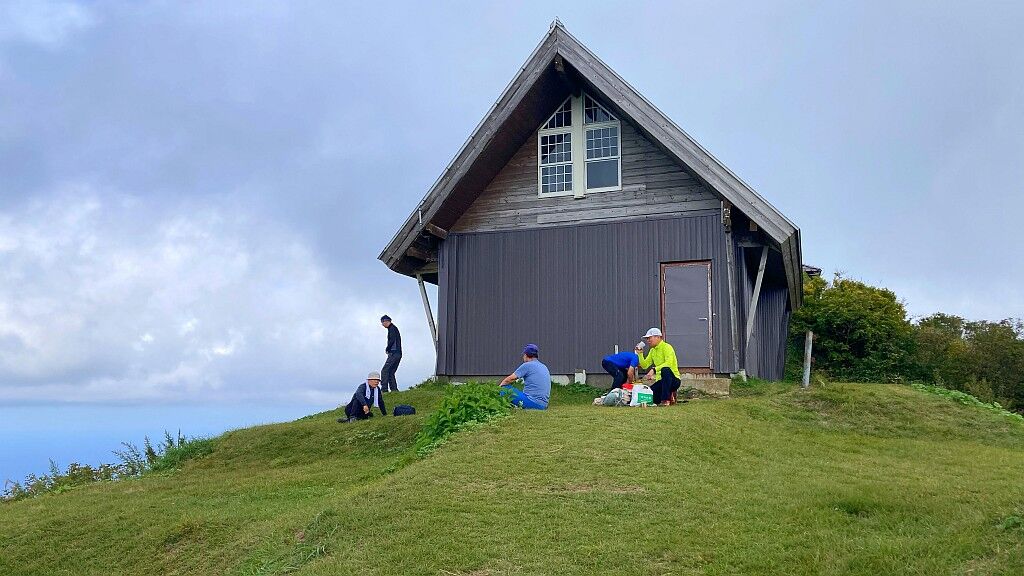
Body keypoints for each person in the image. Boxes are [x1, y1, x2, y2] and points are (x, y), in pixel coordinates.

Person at [637, 328, 681, 406]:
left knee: (665, 370)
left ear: (658, 337)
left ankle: (666, 400)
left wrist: (654, 369)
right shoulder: (652, 350)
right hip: (661, 381)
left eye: (649, 338)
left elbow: (669, 363)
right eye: (647, 339)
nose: (648, 340)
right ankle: (669, 396)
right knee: (652, 397)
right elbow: (644, 365)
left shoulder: (667, 347)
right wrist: (640, 354)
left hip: (674, 380)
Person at [498, 344, 551, 410]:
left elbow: (510, 379)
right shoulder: (543, 366)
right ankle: (515, 405)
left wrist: (499, 388)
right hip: (544, 405)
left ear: (525, 355)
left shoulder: (527, 365)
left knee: (504, 389)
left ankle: (503, 405)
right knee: (519, 393)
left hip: (533, 403)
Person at [380, 315, 402, 392]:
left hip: (393, 353)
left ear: (386, 321)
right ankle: (394, 390)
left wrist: (387, 349)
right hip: (398, 353)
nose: (382, 325)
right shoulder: (394, 328)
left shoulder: (392, 328)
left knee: (384, 371)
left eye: (382, 322)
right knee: (391, 372)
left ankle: (384, 390)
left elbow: (392, 340)